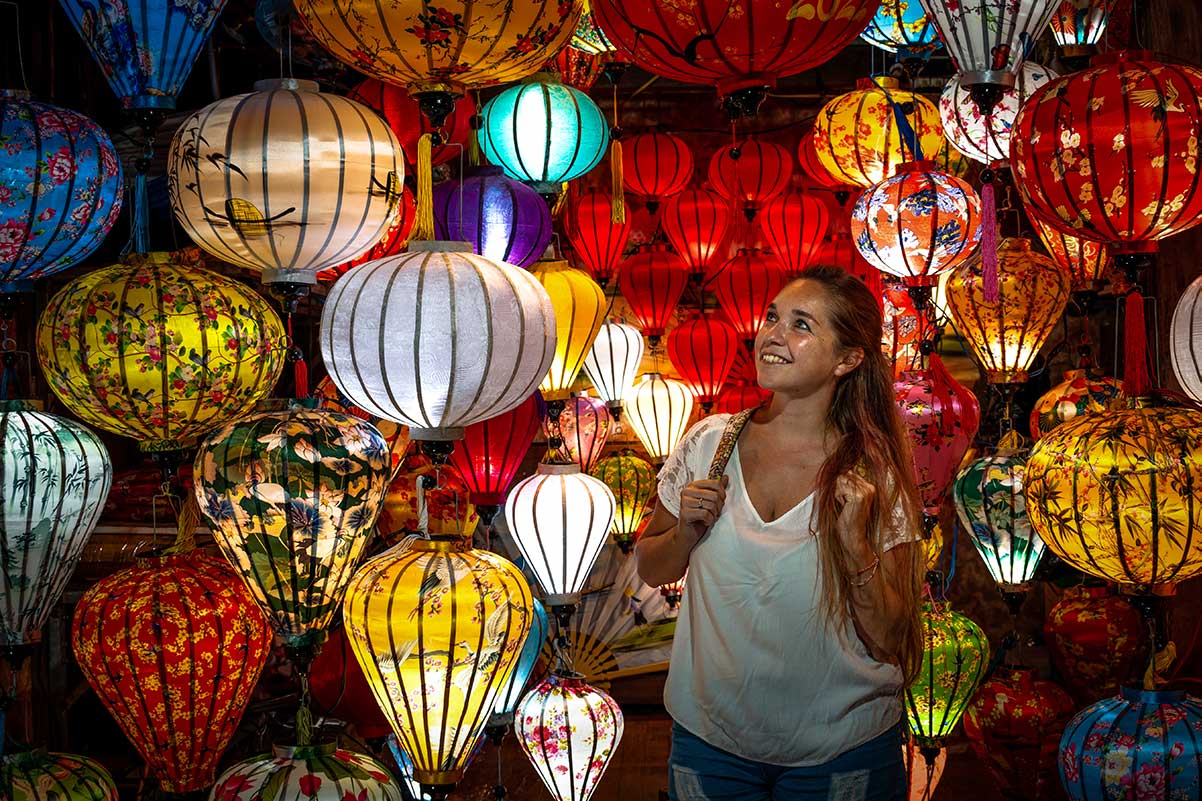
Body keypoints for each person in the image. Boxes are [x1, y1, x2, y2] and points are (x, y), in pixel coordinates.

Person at [636, 265, 925, 801]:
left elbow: (892, 639)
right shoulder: (709, 443)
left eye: (801, 325)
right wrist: (685, 536)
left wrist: (856, 547)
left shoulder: (872, 472)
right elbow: (651, 568)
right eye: (772, 317)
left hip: (842, 747)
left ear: (847, 359)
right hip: (711, 741)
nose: (772, 334)